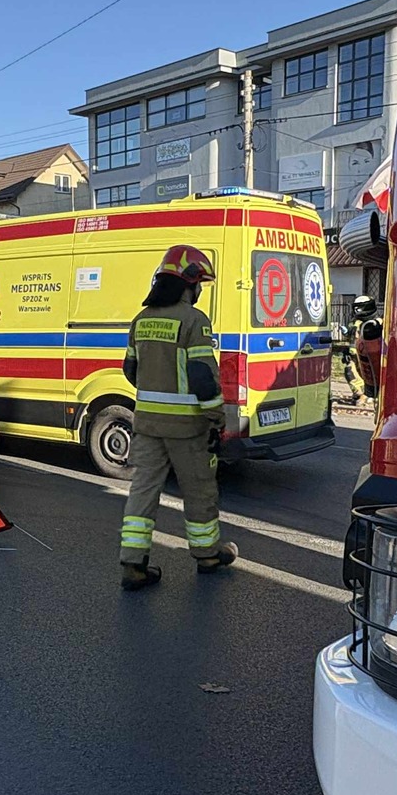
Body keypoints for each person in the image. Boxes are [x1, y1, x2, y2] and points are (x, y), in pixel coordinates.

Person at [117, 244, 239, 590]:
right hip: (187, 428)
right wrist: (216, 417)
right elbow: (202, 378)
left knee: (143, 490)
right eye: (199, 284)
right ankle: (207, 555)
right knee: (199, 490)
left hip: (147, 425)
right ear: (189, 283)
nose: (200, 291)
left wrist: (157, 387)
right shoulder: (194, 321)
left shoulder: (141, 320)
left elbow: (130, 370)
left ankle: (133, 564)